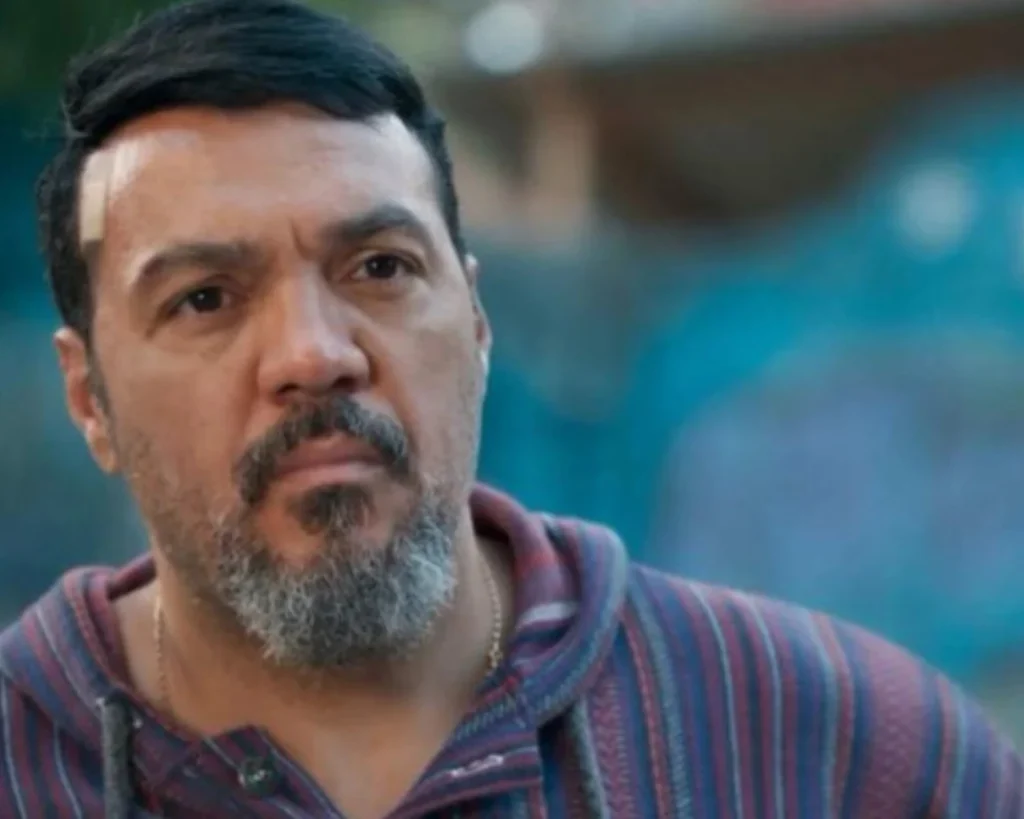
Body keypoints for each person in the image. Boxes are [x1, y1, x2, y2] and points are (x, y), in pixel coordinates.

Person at [0, 1, 1020, 817]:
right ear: (90, 398)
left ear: (478, 323)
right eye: (205, 298)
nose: (315, 354)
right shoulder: (26, 762)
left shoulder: (839, 751)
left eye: (379, 267)